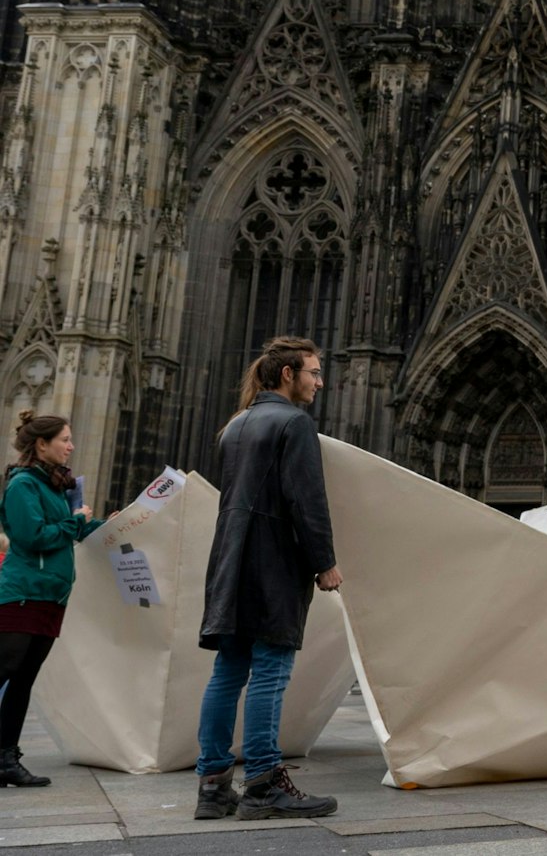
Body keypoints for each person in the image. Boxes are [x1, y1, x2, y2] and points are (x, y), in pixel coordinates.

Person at [196, 337, 341, 820]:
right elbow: (306, 500)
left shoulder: (235, 425)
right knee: (270, 671)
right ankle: (262, 784)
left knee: (228, 671)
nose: (320, 382)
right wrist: (324, 561)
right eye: (314, 373)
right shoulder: (294, 424)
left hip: (230, 558)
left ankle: (213, 787)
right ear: (287, 375)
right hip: (273, 560)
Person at [0, 412, 104, 788]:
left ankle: (5, 759)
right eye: (64, 439)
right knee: (6, 669)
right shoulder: (23, 484)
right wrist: (76, 520)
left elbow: (71, 529)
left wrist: (116, 524)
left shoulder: (55, 486)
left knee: (23, 679)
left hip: (50, 596)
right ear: (42, 445)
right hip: (22, 593)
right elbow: (33, 536)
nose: (71, 446)